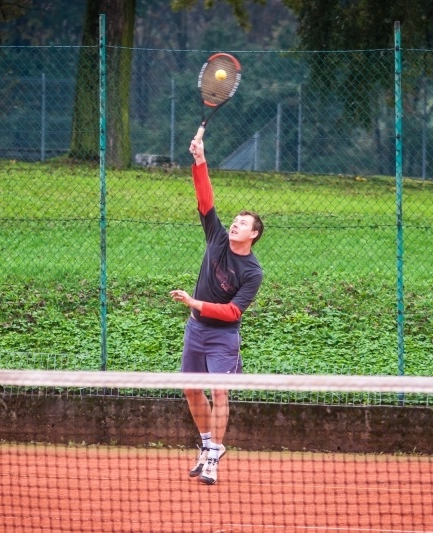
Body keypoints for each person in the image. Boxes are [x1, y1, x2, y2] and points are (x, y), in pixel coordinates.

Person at [169, 134, 264, 486]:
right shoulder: (217, 238)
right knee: (191, 389)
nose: (235, 223)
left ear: (253, 235)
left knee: (219, 391)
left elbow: (233, 314)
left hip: (223, 337)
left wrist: (195, 303)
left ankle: (213, 458)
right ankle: (209, 444)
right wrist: (200, 159)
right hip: (196, 330)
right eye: (235, 219)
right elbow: (205, 198)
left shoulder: (253, 272)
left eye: (243, 223)